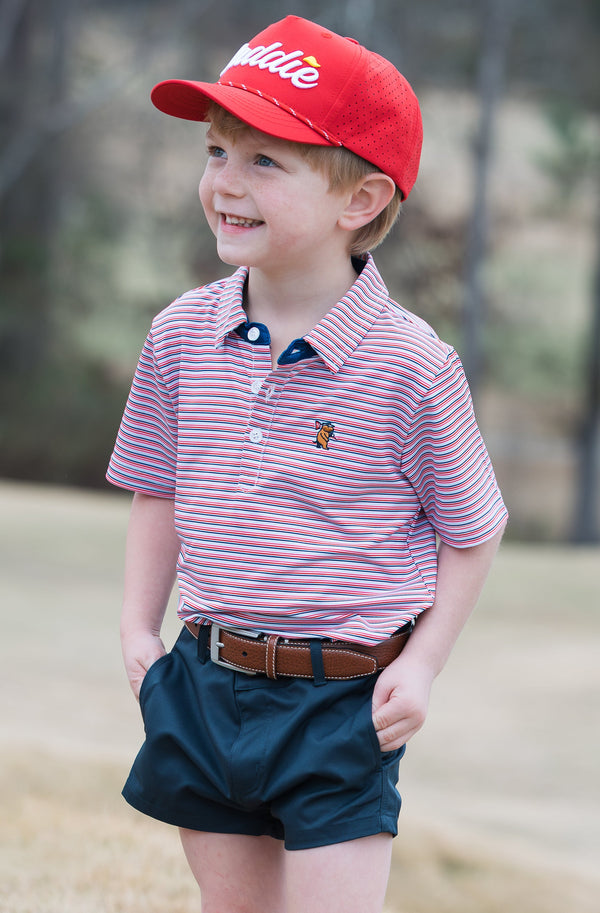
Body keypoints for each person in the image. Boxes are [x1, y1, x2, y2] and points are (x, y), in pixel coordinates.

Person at [107, 14, 508, 913]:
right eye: (216, 152)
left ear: (358, 200)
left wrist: (426, 663)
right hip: (203, 683)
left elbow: (474, 532)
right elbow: (157, 490)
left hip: (343, 703)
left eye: (263, 162)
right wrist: (141, 628)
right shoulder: (179, 335)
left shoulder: (414, 367)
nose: (223, 183)